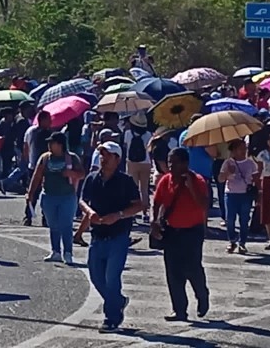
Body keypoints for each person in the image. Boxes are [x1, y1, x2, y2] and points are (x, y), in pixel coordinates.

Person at [79, 141, 143, 333]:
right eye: (101, 154)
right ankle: (118, 301)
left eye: (107, 155)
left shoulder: (125, 181)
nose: (103, 158)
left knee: (112, 278)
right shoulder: (92, 178)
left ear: (117, 158)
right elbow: (82, 200)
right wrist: (90, 213)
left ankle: (111, 317)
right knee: (96, 277)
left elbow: (138, 205)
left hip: (118, 236)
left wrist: (118, 215)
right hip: (97, 236)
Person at [152, 147, 210, 322]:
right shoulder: (165, 180)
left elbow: (203, 205)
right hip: (172, 231)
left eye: (175, 162)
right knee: (173, 271)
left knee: (192, 268)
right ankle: (179, 310)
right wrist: (153, 221)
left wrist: (190, 186)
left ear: (185, 164)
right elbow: (156, 202)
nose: (171, 166)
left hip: (192, 231)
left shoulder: (197, 180)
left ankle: (202, 294)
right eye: (170, 162)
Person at [26, 131, 84, 265]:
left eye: (52, 142)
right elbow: (37, 175)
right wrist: (30, 193)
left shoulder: (72, 158)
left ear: (60, 144)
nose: (49, 145)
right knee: (53, 225)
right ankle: (55, 251)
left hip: (67, 197)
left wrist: (72, 173)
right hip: (48, 196)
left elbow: (82, 174)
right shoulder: (45, 158)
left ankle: (68, 252)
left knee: (66, 225)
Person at [218, 139, 257, 254]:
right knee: (230, 219)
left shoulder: (250, 163)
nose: (244, 151)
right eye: (241, 149)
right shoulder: (228, 163)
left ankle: (242, 243)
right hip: (231, 194)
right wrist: (227, 173)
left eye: (245, 148)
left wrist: (258, 193)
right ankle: (232, 241)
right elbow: (220, 179)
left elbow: (256, 179)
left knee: (244, 220)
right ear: (234, 150)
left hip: (245, 195)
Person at [23, 110, 53, 226]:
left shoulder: (49, 133)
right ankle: (28, 216)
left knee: (46, 193)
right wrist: (26, 160)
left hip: (47, 167)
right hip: (35, 166)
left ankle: (45, 217)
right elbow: (26, 146)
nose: (50, 122)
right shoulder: (34, 132)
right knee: (33, 192)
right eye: (48, 119)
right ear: (42, 120)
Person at [123, 112, 152, 223]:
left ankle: (133, 214)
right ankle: (145, 213)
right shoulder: (148, 134)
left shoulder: (128, 133)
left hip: (131, 162)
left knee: (132, 189)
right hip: (146, 162)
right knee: (144, 188)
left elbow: (125, 146)